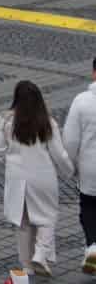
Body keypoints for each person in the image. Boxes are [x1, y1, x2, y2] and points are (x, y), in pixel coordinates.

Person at [0, 80, 74, 277]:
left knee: (23, 222)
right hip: (42, 177)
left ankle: (26, 266)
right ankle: (40, 253)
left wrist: (10, 159)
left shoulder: (5, 120)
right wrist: (70, 171)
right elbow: (59, 154)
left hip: (17, 178)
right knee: (47, 216)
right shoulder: (47, 122)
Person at [65, 55, 96, 275]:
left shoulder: (82, 101)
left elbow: (71, 140)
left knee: (89, 208)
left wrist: (72, 167)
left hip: (90, 169)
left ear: (94, 72)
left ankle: (93, 246)